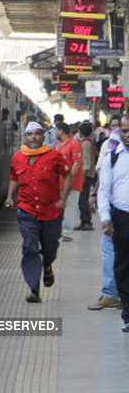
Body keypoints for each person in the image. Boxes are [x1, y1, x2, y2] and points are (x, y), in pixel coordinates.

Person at [5, 122, 71, 303]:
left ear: (43, 137)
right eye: (29, 134)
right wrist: (10, 196)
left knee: (50, 247)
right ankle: (34, 289)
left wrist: (63, 199)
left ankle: (48, 264)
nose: (33, 137)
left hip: (51, 211)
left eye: (37, 134)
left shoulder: (54, 156)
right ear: (24, 137)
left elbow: (67, 175)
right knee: (29, 247)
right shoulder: (17, 157)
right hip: (27, 211)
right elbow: (13, 178)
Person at [97, 114, 129, 332]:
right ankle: (128, 314)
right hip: (122, 216)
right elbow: (103, 189)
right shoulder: (112, 155)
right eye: (125, 131)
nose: (127, 135)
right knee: (124, 267)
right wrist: (105, 217)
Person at [88, 120, 122, 311]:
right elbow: (103, 174)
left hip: (117, 207)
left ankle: (111, 294)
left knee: (110, 250)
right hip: (116, 206)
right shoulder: (112, 144)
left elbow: (102, 173)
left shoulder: (111, 143)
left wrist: (96, 196)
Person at [55, 122, 82, 241]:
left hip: (72, 183)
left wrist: (70, 178)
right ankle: (60, 230)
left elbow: (77, 162)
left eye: (56, 130)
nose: (55, 132)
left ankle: (67, 233)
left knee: (70, 205)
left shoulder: (74, 144)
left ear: (61, 131)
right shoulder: (59, 144)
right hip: (59, 181)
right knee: (60, 205)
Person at [75, 122, 96, 230]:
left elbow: (86, 164)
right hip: (87, 175)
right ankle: (84, 221)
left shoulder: (85, 143)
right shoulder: (87, 142)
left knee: (82, 200)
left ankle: (86, 222)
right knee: (82, 199)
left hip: (86, 176)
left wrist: (81, 179)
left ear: (80, 131)